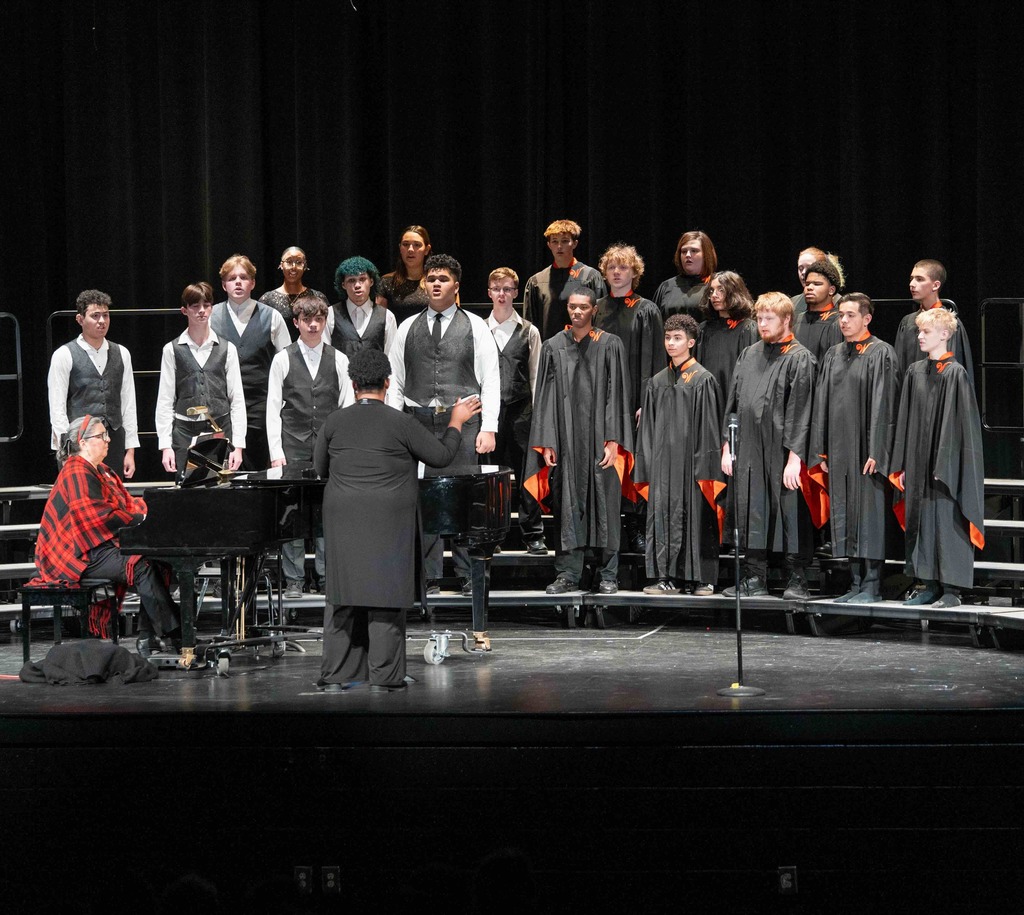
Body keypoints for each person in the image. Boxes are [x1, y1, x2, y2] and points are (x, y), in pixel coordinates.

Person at [313, 348, 482, 692]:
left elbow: (320, 470)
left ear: (353, 382)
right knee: (384, 592)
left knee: (345, 592)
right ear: (387, 383)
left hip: (343, 515)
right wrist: (455, 421)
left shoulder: (334, 422)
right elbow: (441, 456)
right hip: (388, 518)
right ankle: (385, 674)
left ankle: (339, 671)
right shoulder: (402, 422)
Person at [387, 253, 500, 595]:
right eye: (431, 278)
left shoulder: (476, 326)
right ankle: (430, 576)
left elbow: (490, 379)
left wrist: (489, 426)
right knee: (425, 500)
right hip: (419, 422)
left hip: (464, 425)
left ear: (456, 286)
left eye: (443, 279)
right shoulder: (407, 328)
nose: (436, 283)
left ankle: (469, 574)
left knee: (465, 498)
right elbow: (396, 382)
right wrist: (395, 428)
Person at [32, 414, 181, 657]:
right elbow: (98, 516)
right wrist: (143, 520)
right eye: (102, 436)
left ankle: (148, 637)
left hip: (98, 548)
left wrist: (156, 511)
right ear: (83, 442)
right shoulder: (76, 471)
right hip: (78, 556)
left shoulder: (101, 471)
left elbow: (126, 504)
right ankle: (178, 637)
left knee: (158, 559)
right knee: (141, 565)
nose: (108, 440)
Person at [524, 288, 635, 595]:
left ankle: (608, 574)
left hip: (601, 439)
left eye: (583, 307)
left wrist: (614, 440)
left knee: (606, 504)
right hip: (565, 440)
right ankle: (567, 574)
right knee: (566, 506)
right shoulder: (552, 347)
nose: (576, 312)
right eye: (572, 307)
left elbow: (618, 393)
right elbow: (544, 397)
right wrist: (547, 441)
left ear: (593, 310)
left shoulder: (610, 344)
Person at [721, 291, 825, 599]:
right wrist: (729, 445)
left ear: (786, 320)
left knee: (790, 511)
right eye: (759, 319)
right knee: (751, 507)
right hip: (751, 446)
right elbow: (735, 403)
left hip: (783, 450)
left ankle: (798, 579)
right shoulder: (750, 353)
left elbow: (801, 411)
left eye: (769, 319)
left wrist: (795, 458)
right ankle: (755, 578)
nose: (763, 325)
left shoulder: (800, 358)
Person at [889, 308, 984, 608]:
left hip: (946, 462)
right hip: (917, 460)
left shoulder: (956, 374)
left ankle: (952, 590)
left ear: (944, 334)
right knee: (921, 519)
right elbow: (903, 419)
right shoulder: (914, 371)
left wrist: (945, 462)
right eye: (918, 331)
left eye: (925, 332)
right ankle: (927, 583)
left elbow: (961, 426)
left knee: (946, 517)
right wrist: (902, 463)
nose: (919, 336)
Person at [809, 293, 901, 603]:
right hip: (839, 449)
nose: (844, 321)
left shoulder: (881, 353)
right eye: (841, 316)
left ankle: (872, 584)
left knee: (868, 514)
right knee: (845, 514)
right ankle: (855, 583)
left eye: (850, 315)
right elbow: (821, 401)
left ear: (867, 318)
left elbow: (885, 406)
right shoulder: (834, 354)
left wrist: (878, 449)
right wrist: (821, 449)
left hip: (867, 453)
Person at [267, 296, 355, 599]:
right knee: (292, 513)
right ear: (297, 323)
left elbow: (347, 405)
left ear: (325, 320)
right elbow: (272, 408)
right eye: (307, 320)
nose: (313, 324)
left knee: (326, 513)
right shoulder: (282, 358)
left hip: (329, 450)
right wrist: (276, 452)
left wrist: (343, 447)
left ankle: (326, 575)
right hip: (293, 446)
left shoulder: (340, 359)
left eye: (318, 318)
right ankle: (293, 579)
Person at [634, 314, 724, 595]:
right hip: (662, 465)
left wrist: (704, 466)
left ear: (691, 342)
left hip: (692, 464)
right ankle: (665, 576)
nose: (671, 343)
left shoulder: (702, 379)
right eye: (668, 338)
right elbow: (646, 429)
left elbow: (709, 428)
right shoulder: (657, 382)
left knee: (696, 516)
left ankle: (702, 579)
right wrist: (647, 463)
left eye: (677, 338)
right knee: (662, 516)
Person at [593, 243, 664, 553]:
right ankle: (607, 528)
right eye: (612, 267)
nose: (617, 272)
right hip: (603, 399)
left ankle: (636, 526)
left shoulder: (646, 309)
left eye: (623, 267)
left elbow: (655, 359)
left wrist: (646, 401)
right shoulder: (596, 308)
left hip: (635, 398)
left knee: (635, 464)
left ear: (634, 272)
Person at [156, 282, 246, 478]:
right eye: (195, 306)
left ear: (212, 308)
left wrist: (238, 445)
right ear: (184, 310)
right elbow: (165, 400)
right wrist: (165, 446)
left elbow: (236, 399)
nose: (201, 311)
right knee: (186, 496)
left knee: (221, 491)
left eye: (206, 305)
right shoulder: (172, 350)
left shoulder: (227, 349)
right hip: (184, 433)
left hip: (221, 430)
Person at [47, 289, 139, 480]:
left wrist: (130, 450)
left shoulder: (122, 353)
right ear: (80, 319)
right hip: (80, 442)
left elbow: (128, 403)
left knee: (112, 500)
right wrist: (66, 450)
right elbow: (57, 407)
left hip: (112, 440)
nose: (102, 321)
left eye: (105, 315)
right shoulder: (64, 355)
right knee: (81, 499)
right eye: (95, 316)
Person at [210, 254, 291, 471]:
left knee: (257, 470)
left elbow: (287, 364)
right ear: (224, 285)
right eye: (232, 278)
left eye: (243, 277)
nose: (238, 282)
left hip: (259, 407)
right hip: (222, 408)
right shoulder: (210, 317)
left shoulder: (272, 317)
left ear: (253, 283)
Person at [486, 267, 546, 555]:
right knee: (491, 474)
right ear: (489, 292)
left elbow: (535, 375)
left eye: (508, 289)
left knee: (526, 474)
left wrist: (539, 416)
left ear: (515, 293)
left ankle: (532, 533)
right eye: (497, 288)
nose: (502, 294)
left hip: (522, 410)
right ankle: (493, 533)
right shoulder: (479, 329)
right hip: (490, 413)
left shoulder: (529, 331)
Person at [522, 219, 607, 341]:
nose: (559, 246)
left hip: (585, 350)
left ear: (575, 243)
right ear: (549, 245)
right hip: (549, 351)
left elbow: (600, 318)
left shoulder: (590, 277)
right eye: (555, 242)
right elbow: (530, 324)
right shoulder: (537, 281)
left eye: (565, 241)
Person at [895, 259, 974, 383]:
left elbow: (955, 370)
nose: (912, 284)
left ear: (935, 285)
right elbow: (899, 368)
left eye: (919, 279)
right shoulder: (908, 322)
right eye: (911, 278)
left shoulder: (950, 323)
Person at [694, 270, 758, 421]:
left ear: (734, 291)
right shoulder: (704, 330)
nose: (714, 295)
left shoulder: (748, 329)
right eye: (711, 291)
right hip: (708, 401)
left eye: (720, 290)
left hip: (735, 402)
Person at [326, 255, 397, 357]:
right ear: (343, 285)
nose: (357, 285)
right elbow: (325, 357)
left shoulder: (387, 316)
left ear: (371, 282)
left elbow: (392, 358)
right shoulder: (330, 314)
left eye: (362, 279)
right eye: (351, 280)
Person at [258, 246, 330, 335]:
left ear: (305, 266)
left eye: (299, 262)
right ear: (281, 265)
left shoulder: (318, 297)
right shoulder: (267, 299)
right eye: (289, 262)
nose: (294, 267)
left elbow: (327, 331)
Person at [652, 230, 718, 321]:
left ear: (707, 255)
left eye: (694, 251)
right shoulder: (667, 287)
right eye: (683, 251)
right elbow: (654, 324)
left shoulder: (717, 285)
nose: (687, 255)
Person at [378, 225, 433, 325]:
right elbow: (379, 322)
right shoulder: (387, 282)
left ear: (426, 249)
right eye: (406, 244)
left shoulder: (436, 281)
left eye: (417, 245)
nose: (410, 249)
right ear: (400, 248)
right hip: (398, 338)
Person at [794, 258, 844, 362]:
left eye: (817, 284)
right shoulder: (796, 320)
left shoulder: (839, 322)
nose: (809, 288)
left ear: (831, 290)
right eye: (807, 284)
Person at [789, 247, 840, 317]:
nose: (803, 272)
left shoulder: (840, 304)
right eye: (800, 268)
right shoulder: (792, 303)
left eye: (809, 267)